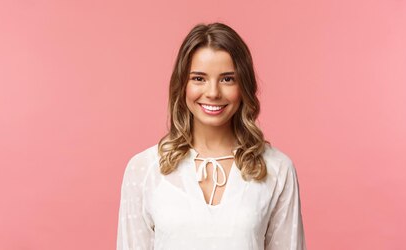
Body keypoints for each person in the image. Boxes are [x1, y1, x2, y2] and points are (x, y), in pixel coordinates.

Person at [117, 22, 306, 250]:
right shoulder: (144, 169)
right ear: (182, 85)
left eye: (227, 79)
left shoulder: (277, 169)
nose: (213, 92)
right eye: (199, 78)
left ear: (243, 85)